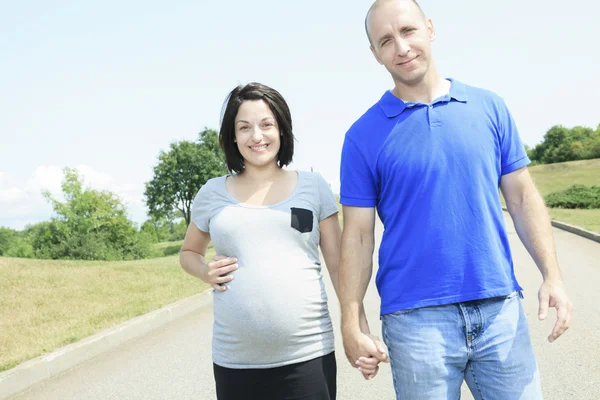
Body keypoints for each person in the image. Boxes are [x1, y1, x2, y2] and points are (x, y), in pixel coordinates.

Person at [337, 1, 574, 399]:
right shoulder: (362, 136)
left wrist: (553, 274)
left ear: (430, 28)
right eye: (385, 40)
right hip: (415, 321)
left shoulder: (489, 106)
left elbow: (521, 197)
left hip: (500, 309)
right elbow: (358, 237)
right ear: (375, 54)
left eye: (408, 31)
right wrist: (350, 320)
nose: (401, 46)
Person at [179, 82, 341, 400]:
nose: (257, 136)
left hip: (308, 357)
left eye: (267, 124)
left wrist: (355, 324)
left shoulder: (313, 186)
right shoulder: (211, 193)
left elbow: (337, 265)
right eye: (244, 127)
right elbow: (188, 252)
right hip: (235, 364)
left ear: (282, 129)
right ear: (232, 136)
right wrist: (204, 271)